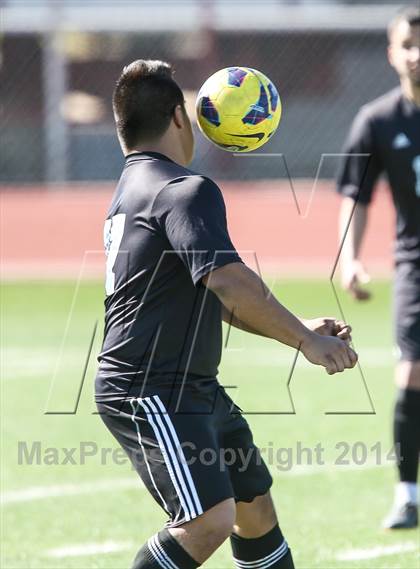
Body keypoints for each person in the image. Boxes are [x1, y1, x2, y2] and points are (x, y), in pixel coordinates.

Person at [95, 59, 357, 569]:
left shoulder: (131, 191)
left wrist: (301, 325)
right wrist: (306, 343)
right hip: (150, 387)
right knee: (206, 521)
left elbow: (207, 295)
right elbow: (232, 281)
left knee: (252, 507)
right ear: (178, 117)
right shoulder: (183, 189)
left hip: (190, 385)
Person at [337, 7, 420, 530]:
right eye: (408, 43)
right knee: (411, 373)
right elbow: (357, 195)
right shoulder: (377, 119)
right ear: (392, 53)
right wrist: (350, 257)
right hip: (415, 264)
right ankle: (408, 495)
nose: (417, 53)